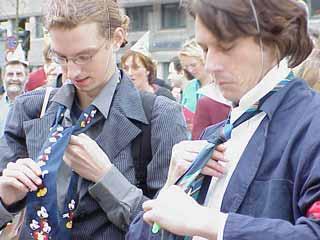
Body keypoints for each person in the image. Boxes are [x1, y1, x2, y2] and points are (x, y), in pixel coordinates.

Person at [127, 0, 320, 239]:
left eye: (226, 47)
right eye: (206, 49)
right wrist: (172, 186)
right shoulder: (217, 134)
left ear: (272, 37)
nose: (211, 65)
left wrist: (209, 223)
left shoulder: (311, 125)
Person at [0, 0, 187, 239]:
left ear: (117, 38)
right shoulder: (30, 108)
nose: (72, 72)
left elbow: (170, 232)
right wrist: (5, 199)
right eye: (62, 58)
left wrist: (106, 178)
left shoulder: (160, 116)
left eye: (84, 56)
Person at [0, 46, 29, 136]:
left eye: (19, 74)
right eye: (10, 74)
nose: (14, 78)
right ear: (3, 77)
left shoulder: (34, 106)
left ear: (27, 78)